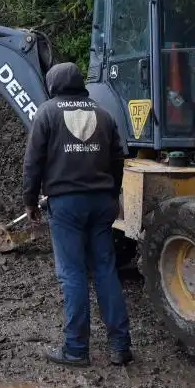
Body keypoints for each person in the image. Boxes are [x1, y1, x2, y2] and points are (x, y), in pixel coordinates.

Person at [22, 62, 132, 367]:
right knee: (105, 271)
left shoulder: (47, 113)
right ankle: (120, 347)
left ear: (53, 85)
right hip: (101, 204)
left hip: (66, 205)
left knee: (72, 274)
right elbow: (118, 159)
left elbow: (32, 161)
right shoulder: (103, 114)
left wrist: (30, 200)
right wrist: (112, 193)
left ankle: (75, 349)